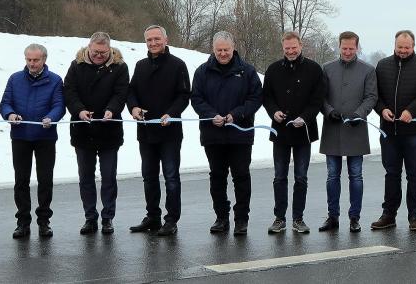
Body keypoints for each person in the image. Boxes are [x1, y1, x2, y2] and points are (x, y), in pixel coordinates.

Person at [191, 31, 263, 236]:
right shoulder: (202, 71)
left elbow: (256, 98)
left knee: (241, 176)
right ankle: (221, 217)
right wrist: (211, 115)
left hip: (240, 134)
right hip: (212, 134)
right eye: (219, 50)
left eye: (226, 50)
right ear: (213, 50)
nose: (223, 53)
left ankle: (241, 219)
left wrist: (236, 114)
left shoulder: (247, 71)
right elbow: (196, 98)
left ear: (233, 48)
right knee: (217, 176)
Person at [127, 25, 191, 237]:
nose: (153, 43)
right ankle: (152, 216)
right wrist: (134, 108)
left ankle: (171, 220)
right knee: (149, 177)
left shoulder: (178, 65)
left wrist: (171, 113)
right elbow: (131, 92)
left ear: (165, 39)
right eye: (149, 40)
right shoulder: (140, 65)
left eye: (157, 39)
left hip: (169, 133)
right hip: (146, 132)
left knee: (171, 177)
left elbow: (184, 95)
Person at [64, 31, 129, 235]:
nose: (99, 55)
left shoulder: (120, 67)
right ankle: (90, 217)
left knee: (109, 177)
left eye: (103, 52)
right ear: (89, 48)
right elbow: (69, 91)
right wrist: (79, 110)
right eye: (95, 51)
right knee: (86, 177)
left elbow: (121, 93)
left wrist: (112, 109)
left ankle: (108, 217)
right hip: (83, 130)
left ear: (109, 49)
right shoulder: (76, 66)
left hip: (109, 130)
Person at [0, 43, 65, 239]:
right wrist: (9, 114)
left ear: (44, 60)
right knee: (21, 181)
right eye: (28, 60)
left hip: (45, 137)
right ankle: (22, 222)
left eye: (36, 60)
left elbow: (59, 105)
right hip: (20, 137)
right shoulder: (15, 79)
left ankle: (44, 221)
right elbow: (5, 103)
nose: (32, 64)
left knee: (45, 180)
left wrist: (51, 118)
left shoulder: (55, 80)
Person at [372, 30, 416, 231]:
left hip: (414, 130)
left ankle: (414, 215)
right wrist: (382, 109)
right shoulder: (382, 66)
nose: (403, 51)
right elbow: (375, 95)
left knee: (414, 173)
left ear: (413, 46)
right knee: (391, 173)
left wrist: (411, 110)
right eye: (400, 47)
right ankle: (388, 214)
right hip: (389, 130)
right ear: (394, 45)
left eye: (407, 48)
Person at [263, 31, 325, 234]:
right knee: (279, 176)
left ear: (301, 46)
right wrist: (274, 112)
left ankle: (298, 218)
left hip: (303, 131)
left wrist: (305, 117)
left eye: (294, 48)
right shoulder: (273, 70)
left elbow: (317, 100)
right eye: (287, 48)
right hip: (280, 131)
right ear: (283, 48)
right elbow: (267, 97)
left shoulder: (314, 69)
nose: (290, 51)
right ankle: (279, 218)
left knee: (301, 177)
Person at [319, 31, 377, 233]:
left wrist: (359, 114)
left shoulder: (368, 70)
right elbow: (320, 96)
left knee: (356, 175)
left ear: (357, 48)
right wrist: (329, 111)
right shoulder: (327, 69)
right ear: (339, 46)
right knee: (332, 175)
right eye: (344, 48)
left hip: (356, 129)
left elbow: (371, 97)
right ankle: (332, 216)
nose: (347, 51)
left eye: (351, 48)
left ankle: (354, 217)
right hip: (332, 128)